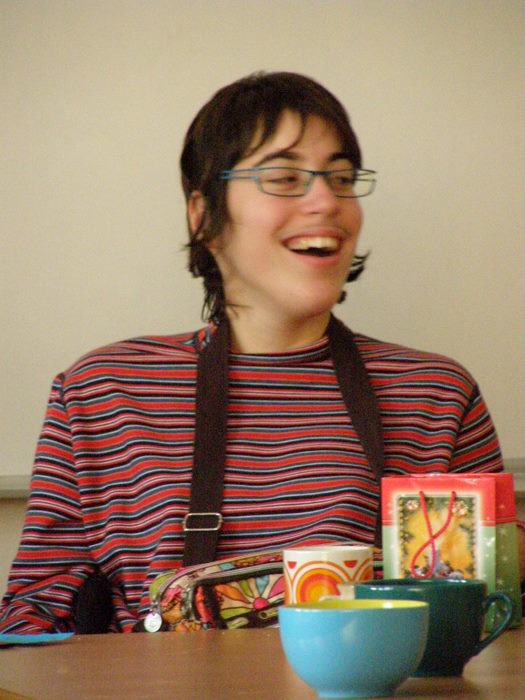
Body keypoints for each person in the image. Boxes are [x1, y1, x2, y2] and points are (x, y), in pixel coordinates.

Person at [1, 71, 521, 634]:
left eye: (341, 178)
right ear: (203, 215)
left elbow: (490, 623)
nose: (327, 201)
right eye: (284, 177)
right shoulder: (102, 391)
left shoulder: (437, 394)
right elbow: (33, 622)